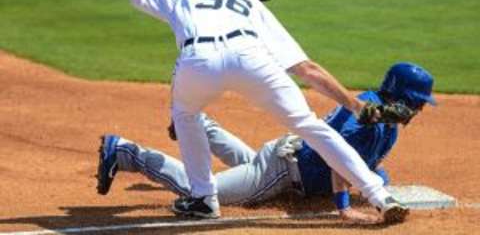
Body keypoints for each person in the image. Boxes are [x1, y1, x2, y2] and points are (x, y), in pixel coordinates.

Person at [27, 0, 406, 220]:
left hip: (198, 60)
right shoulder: (253, 8)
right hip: (252, 59)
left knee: (185, 113)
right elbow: (306, 69)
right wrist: (355, 105)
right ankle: (379, 196)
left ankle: (204, 199)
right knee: (311, 127)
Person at [96, 62, 435, 224]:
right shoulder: (367, 119)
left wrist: (378, 179)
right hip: (283, 172)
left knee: (250, 163)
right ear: (401, 96)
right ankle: (126, 152)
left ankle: (196, 122)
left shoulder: (379, 117)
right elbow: (337, 158)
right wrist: (343, 207)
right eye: (418, 102)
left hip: (283, 158)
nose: (420, 109)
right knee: (201, 191)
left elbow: (364, 161)